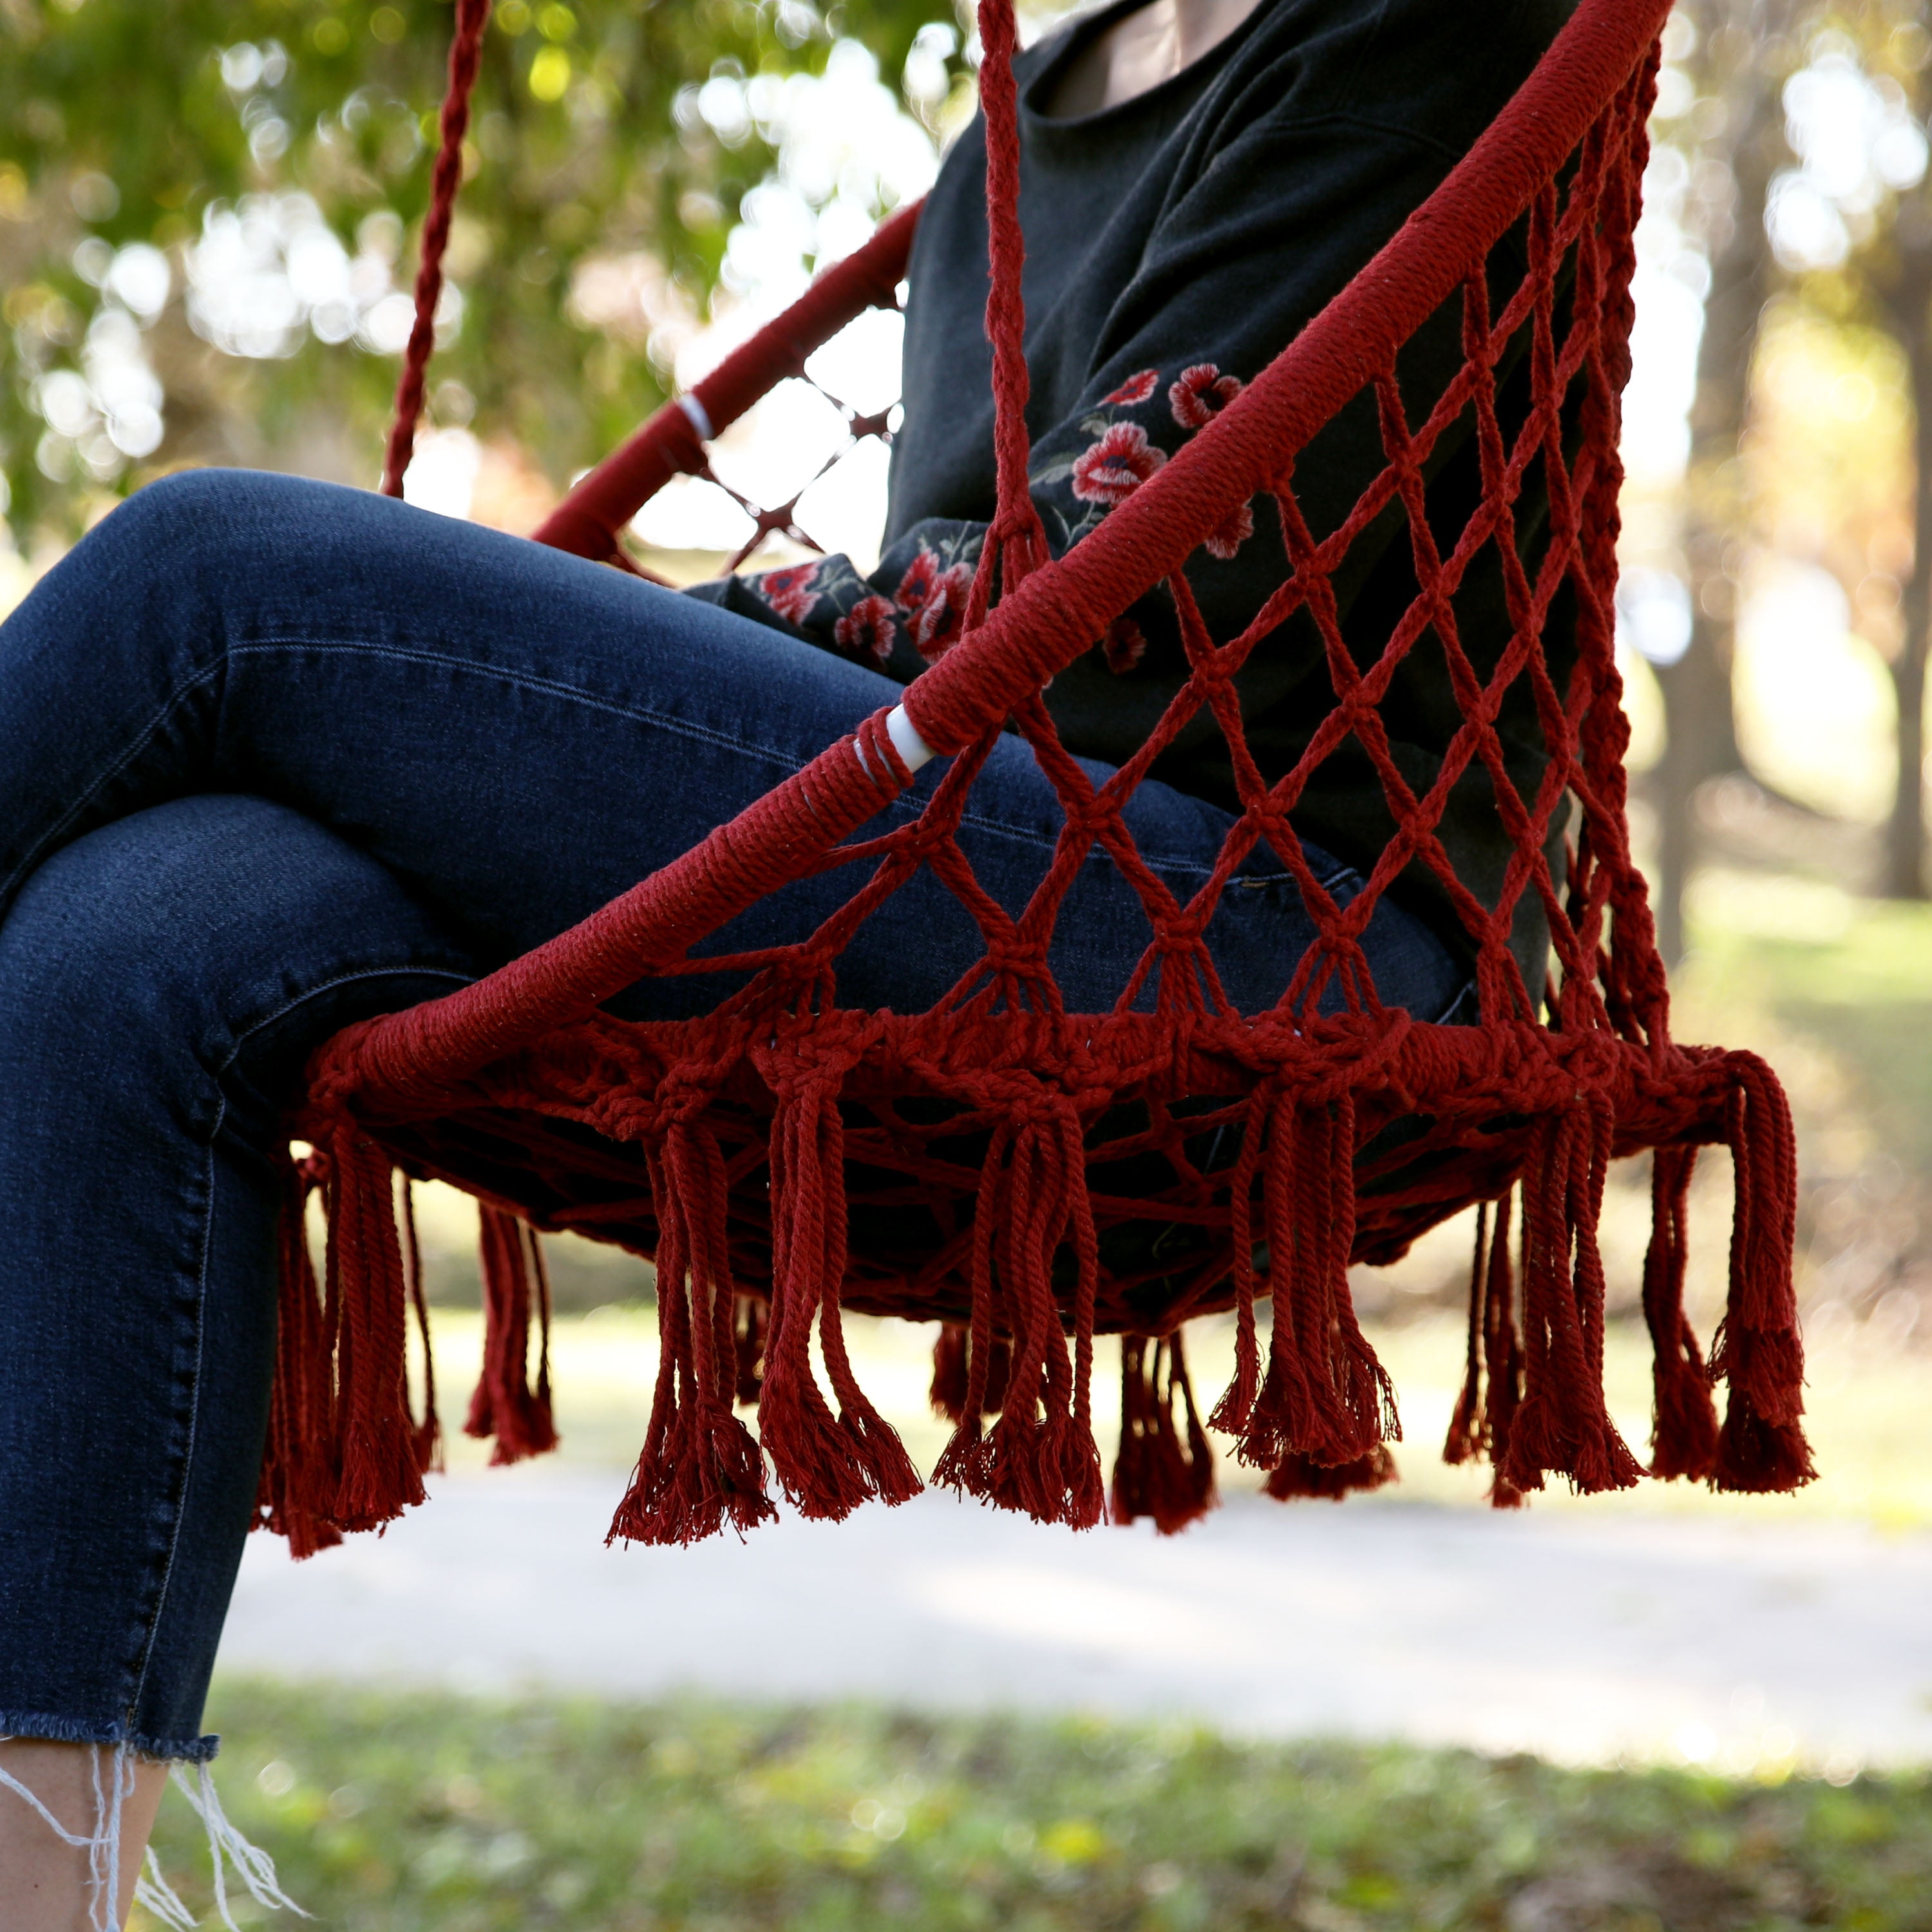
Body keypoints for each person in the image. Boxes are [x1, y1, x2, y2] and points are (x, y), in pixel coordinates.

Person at [0, 0, 1572, 1919]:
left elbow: (1115, 606)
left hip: (1268, 920)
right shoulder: (1009, 131)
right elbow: (954, 635)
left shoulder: (1424, 31)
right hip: (980, 868)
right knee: (133, 931)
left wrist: (688, 624)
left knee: (210, 578)